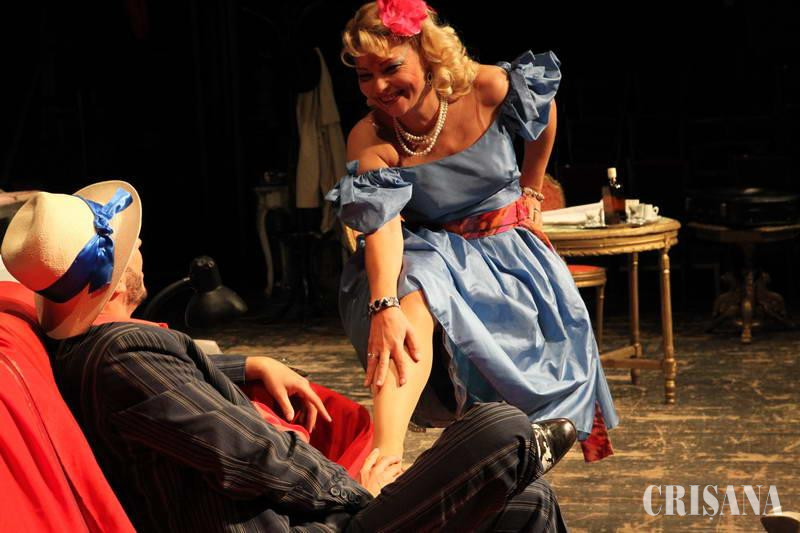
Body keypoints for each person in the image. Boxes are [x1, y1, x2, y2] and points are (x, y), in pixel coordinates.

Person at [1, 180, 576, 531]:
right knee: (501, 430)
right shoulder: (122, 354)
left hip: (307, 516)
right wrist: (360, 491)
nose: (142, 245)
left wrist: (246, 365)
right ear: (109, 277)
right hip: (304, 527)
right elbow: (251, 454)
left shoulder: (88, 349)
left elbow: (164, 397)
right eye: (131, 246)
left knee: (528, 499)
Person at [326, 0, 619, 465]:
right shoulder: (372, 136)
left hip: (506, 248)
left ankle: (512, 451)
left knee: (532, 387)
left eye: (390, 68)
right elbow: (382, 227)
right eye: (365, 75)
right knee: (415, 287)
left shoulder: (486, 87)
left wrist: (532, 189)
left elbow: (544, 114)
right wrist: (383, 305)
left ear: (427, 54)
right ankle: (385, 459)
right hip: (432, 247)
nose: (378, 86)